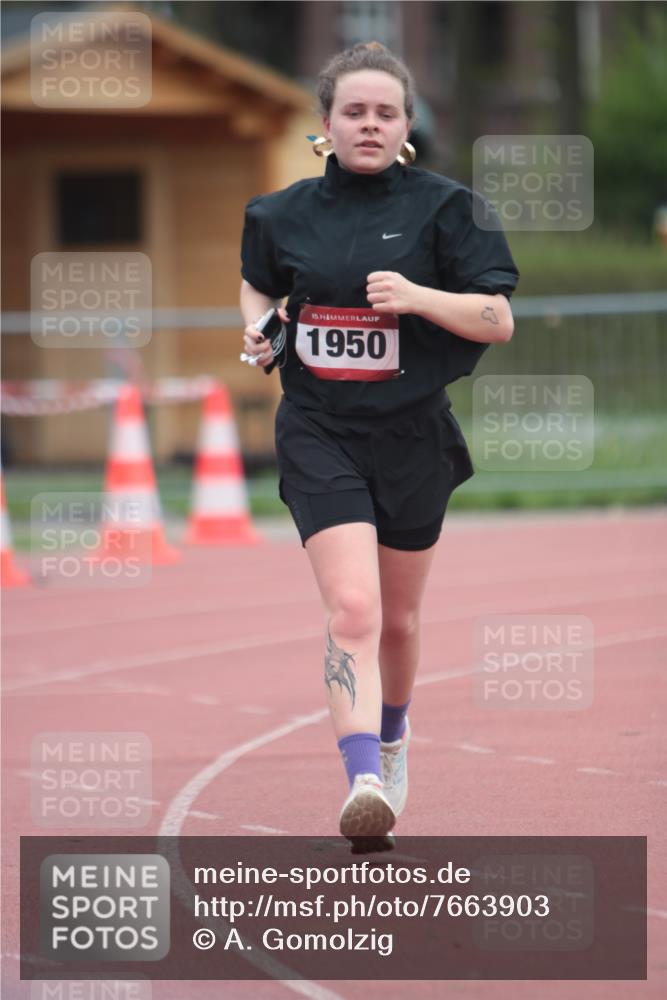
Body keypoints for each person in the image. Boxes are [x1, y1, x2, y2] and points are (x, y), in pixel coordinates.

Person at [240, 42, 519, 851]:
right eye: (352, 111)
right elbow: (261, 282)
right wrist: (258, 329)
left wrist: (419, 297)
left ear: (406, 127)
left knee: (396, 618)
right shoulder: (279, 213)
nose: (368, 124)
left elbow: (496, 321)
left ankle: (392, 742)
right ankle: (361, 775)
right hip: (319, 428)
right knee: (353, 607)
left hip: (411, 436)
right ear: (324, 124)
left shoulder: (448, 209)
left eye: (384, 113)